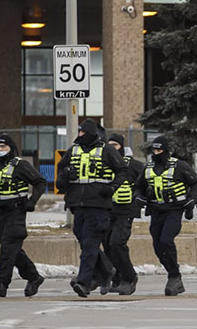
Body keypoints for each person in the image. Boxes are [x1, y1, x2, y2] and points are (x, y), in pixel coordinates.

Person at [56, 119, 128, 298]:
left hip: (99, 205)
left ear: (90, 134)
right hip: (77, 206)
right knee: (84, 241)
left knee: (89, 244)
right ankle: (106, 269)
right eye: (78, 132)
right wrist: (64, 176)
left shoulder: (106, 150)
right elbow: (61, 170)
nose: (79, 136)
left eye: (82, 133)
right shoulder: (73, 151)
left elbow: (122, 171)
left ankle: (84, 282)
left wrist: (111, 188)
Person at [133, 135, 197, 295]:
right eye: (154, 150)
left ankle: (174, 277)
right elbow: (138, 186)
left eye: (159, 150)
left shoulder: (179, 166)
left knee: (166, 240)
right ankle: (173, 273)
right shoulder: (148, 168)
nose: (156, 153)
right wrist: (139, 196)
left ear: (166, 150)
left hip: (174, 209)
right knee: (157, 245)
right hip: (156, 210)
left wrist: (192, 200)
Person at [0, 135, 47, 298]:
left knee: (7, 246)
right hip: (0, 213)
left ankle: (2, 283)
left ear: (11, 148)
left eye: (4, 147)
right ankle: (34, 277)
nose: (1, 150)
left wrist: (32, 201)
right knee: (13, 249)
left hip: (16, 212)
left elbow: (40, 182)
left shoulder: (20, 165)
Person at [104, 133, 144, 295]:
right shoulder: (105, 164)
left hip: (126, 211)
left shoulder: (133, 165)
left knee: (117, 243)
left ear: (121, 147)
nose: (112, 148)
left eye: (115, 145)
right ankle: (118, 278)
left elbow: (144, 183)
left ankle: (130, 277)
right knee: (107, 245)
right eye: (110, 145)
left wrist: (139, 197)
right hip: (107, 211)